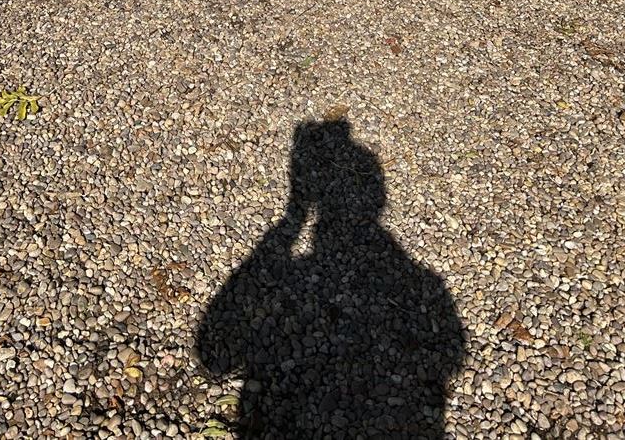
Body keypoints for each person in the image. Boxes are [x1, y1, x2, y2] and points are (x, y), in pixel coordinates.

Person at [196, 118, 465, 438]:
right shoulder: (424, 284)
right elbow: (450, 354)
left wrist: (292, 219)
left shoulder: (419, 284)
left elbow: (215, 355)